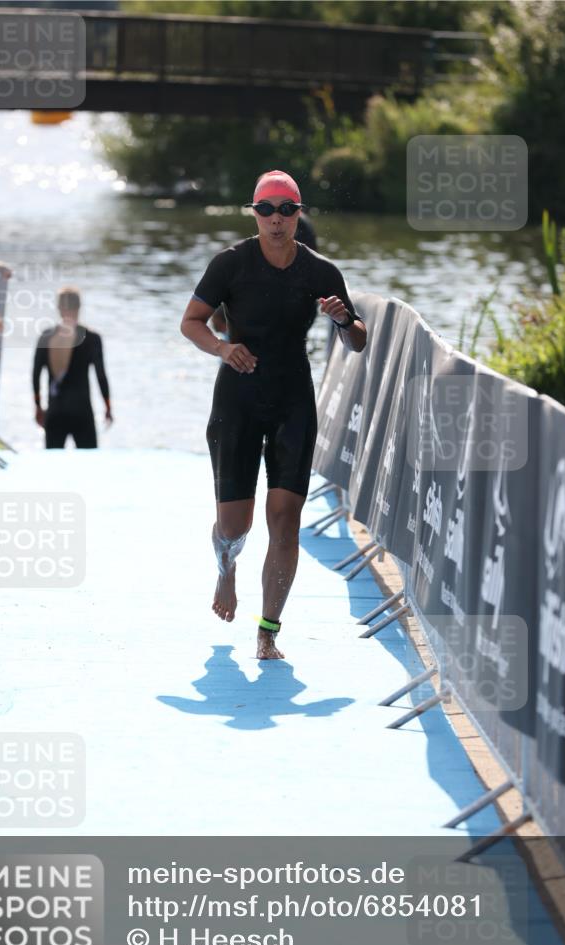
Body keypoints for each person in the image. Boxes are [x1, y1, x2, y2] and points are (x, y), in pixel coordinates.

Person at [180, 169, 366, 660]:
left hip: (292, 399)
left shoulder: (320, 272)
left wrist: (344, 319)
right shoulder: (230, 263)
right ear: (254, 213)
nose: (277, 219)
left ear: (298, 213)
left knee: (285, 518)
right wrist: (222, 349)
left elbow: (358, 339)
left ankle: (268, 632)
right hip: (237, 399)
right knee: (236, 526)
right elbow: (191, 322)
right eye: (266, 209)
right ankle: (227, 566)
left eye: (286, 209)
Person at [32, 286, 113, 449]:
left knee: (52, 464)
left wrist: (38, 407)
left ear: (59, 308)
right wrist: (108, 406)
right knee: (89, 464)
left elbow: (35, 374)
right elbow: (100, 376)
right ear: (79, 307)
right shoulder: (91, 338)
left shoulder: (46, 337)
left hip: (55, 410)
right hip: (81, 410)